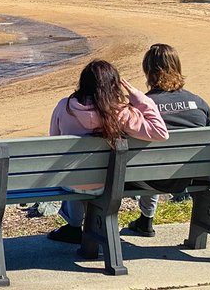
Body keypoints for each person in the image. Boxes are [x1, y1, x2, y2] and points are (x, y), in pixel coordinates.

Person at [47, 60, 168, 244]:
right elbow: (160, 132)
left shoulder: (64, 107)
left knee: (74, 171)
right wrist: (139, 97)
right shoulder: (120, 113)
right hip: (109, 184)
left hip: (71, 182)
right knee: (95, 174)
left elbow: (54, 147)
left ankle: (73, 226)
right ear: (113, 86)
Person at [126, 44, 210, 237]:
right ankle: (145, 220)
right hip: (193, 174)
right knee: (156, 159)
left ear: (148, 71)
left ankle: (146, 219)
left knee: (149, 159)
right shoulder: (198, 103)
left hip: (149, 176)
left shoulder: (142, 105)